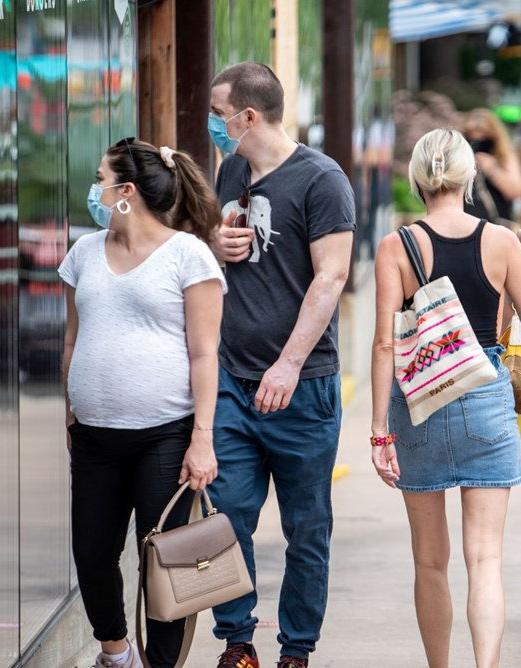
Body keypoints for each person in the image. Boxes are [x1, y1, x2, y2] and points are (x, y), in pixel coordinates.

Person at [370, 129, 521, 668]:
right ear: (469, 177)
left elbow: (385, 343)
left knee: (429, 563)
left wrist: (379, 432)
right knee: (485, 561)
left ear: (416, 179)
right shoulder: (502, 242)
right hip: (485, 396)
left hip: (419, 404)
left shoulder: (395, 246)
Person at [206, 62, 356, 668]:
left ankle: (296, 650)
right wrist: (215, 244)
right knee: (226, 517)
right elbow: (214, 255)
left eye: (218, 115)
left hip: (303, 388)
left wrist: (288, 365)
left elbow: (332, 277)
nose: (213, 124)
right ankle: (237, 643)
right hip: (232, 382)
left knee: (307, 529)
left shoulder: (322, 180)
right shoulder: (231, 170)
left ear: (249, 116)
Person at [60, 138, 226, 668]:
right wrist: (72, 410)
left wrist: (202, 439)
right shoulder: (84, 252)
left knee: (165, 566)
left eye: (100, 179)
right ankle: (117, 654)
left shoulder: (188, 255)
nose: (95, 188)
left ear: (126, 191)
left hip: (166, 437)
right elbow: (72, 339)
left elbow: (204, 354)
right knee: (91, 556)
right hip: (94, 438)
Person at [463, 108, 521, 227]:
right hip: (467, 222)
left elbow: (519, 191)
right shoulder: (460, 154)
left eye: (483, 138)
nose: (477, 143)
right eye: (470, 137)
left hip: (496, 222)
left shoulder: (503, 155)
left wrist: (493, 170)